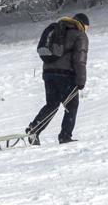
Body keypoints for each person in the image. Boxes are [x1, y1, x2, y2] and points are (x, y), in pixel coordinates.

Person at [27, 13, 89, 144]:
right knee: (71, 105)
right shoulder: (80, 35)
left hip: (48, 73)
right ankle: (65, 136)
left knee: (52, 104)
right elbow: (80, 60)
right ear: (82, 24)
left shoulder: (57, 30)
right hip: (65, 75)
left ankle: (35, 128)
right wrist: (81, 81)